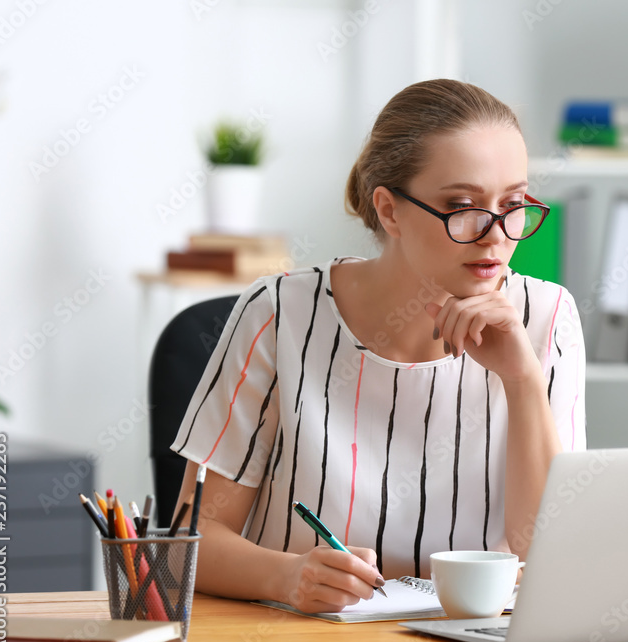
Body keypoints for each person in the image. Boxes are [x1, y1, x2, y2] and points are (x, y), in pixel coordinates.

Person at [171, 79, 586, 614]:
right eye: (463, 206)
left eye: (512, 205)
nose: (496, 235)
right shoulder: (280, 313)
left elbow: (556, 556)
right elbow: (188, 541)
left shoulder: (549, 317)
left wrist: (523, 380)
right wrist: (286, 576)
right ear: (389, 211)